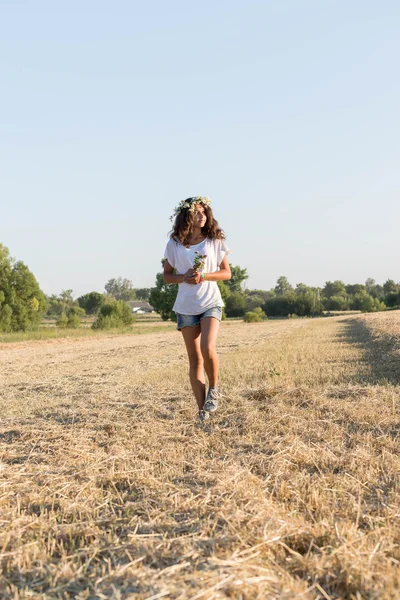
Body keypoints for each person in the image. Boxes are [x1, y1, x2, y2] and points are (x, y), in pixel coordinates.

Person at [163, 196, 231, 423]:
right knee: (195, 360)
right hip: (186, 307)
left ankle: (214, 389)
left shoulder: (214, 240)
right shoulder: (174, 243)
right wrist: (184, 277)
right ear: (186, 215)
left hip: (210, 301)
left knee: (207, 347)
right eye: (196, 212)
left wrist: (205, 276)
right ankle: (203, 412)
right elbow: (167, 276)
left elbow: (226, 273)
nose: (201, 216)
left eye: (204, 212)